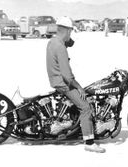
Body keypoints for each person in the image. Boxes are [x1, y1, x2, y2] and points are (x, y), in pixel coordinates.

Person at [46, 16, 105, 153]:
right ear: (66, 31)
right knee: (86, 107)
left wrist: (68, 41)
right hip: (63, 83)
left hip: (55, 80)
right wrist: (79, 87)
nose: (71, 34)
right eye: (70, 32)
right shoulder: (60, 47)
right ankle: (89, 143)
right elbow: (67, 76)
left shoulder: (52, 42)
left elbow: (68, 43)